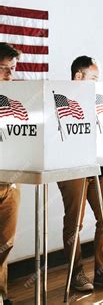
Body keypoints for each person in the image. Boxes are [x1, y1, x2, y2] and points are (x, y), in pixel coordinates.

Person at [57, 56, 103, 292]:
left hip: (96, 165)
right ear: (79, 76)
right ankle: (76, 274)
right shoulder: (61, 99)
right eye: (93, 77)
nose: (98, 83)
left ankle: (102, 271)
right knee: (74, 223)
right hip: (70, 167)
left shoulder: (94, 101)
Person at [0, 42, 21, 305]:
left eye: (12, 69)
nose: (9, 75)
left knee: (5, 244)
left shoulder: (15, 101)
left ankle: (2, 295)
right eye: (4, 69)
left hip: (11, 182)